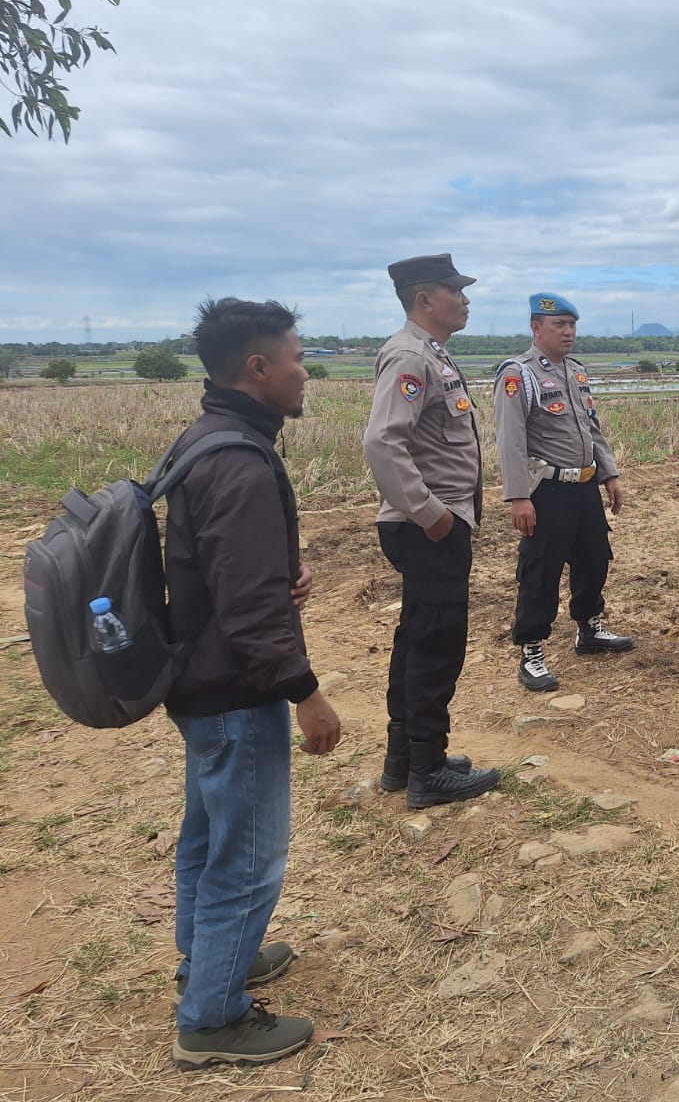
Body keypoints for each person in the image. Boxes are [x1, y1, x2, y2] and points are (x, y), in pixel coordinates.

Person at [164, 298, 342, 1069]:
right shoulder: (238, 460)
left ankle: (207, 962)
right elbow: (246, 609)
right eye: (298, 358)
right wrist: (306, 693)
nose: (306, 373)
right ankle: (212, 1020)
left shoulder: (207, 436)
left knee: (207, 837)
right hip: (235, 691)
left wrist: (278, 576)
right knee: (246, 859)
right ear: (258, 367)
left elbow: (225, 571)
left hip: (200, 679)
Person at [363, 254, 501, 809]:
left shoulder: (431, 353)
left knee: (418, 639)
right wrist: (430, 512)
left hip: (430, 525)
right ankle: (429, 769)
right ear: (425, 299)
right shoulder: (410, 355)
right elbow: (382, 442)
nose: (465, 300)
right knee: (436, 646)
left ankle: (405, 759)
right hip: (427, 527)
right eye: (455, 291)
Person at [494, 291, 634, 692]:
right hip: (547, 490)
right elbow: (510, 439)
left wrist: (609, 475)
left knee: (594, 559)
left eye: (572, 325)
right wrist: (518, 496)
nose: (568, 332)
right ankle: (532, 650)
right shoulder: (519, 375)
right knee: (541, 571)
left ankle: (589, 628)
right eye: (559, 325)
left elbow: (592, 428)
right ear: (537, 328)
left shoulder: (575, 371)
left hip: (584, 485)